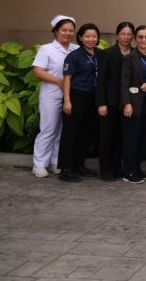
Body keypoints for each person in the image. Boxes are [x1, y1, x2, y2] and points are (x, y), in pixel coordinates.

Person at [32, 15, 77, 178]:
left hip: (71, 97)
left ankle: (56, 162)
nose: (67, 33)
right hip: (51, 95)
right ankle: (39, 164)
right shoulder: (46, 49)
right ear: (56, 31)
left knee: (63, 131)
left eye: (71, 31)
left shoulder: (76, 49)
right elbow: (37, 71)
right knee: (49, 129)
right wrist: (58, 81)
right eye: (64, 30)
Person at [59, 23, 102, 182]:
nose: (91, 39)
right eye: (87, 36)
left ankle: (79, 165)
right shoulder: (74, 55)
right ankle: (66, 168)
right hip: (76, 97)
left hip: (92, 98)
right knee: (71, 133)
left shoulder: (99, 54)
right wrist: (67, 100)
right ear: (81, 38)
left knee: (85, 133)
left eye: (94, 36)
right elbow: (67, 79)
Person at [95, 21, 134, 182]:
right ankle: (105, 169)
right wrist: (101, 103)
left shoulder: (135, 53)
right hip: (110, 102)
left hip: (127, 102)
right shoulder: (107, 53)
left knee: (121, 136)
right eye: (123, 34)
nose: (126, 37)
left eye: (129, 34)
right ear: (117, 35)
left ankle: (117, 168)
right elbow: (101, 80)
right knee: (107, 136)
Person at [119, 25, 146, 184]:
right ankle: (128, 171)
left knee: (142, 138)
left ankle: (137, 167)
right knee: (131, 138)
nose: (143, 40)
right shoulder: (129, 57)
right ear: (135, 38)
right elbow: (124, 83)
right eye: (140, 37)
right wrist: (126, 103)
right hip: (133, 104)